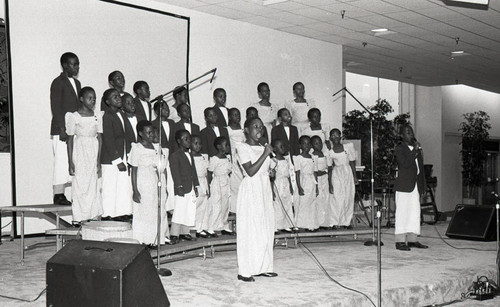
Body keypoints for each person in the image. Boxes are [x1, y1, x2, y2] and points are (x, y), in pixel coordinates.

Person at [235, 117, 276, 282]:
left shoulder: (263, 146)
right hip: (251, 190)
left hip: (264, 188)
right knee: (250, 229)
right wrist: (266, 154)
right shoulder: (242, 147)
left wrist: (270, 172)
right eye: (255, 126)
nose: (259, 129)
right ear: (246, 130)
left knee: (265, 227)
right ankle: (244, 271)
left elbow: (267, 168)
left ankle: (263, 267)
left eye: (261, 127)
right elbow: (250, 171)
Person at [65, 87, 103, 225]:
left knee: (93, 183)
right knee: (81, 184)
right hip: (80, 151)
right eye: (89, 98)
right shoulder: (74, 116)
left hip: (93, 150)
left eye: (94, 98)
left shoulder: (97, 116)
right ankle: (79, 217)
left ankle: (92, 216)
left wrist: (99, 160)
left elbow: (100, 138)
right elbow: (69, 140)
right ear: (81, 99)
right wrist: (70, 162)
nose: (92, 100)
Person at [129, 120, 168, 246]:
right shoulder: (137, 147)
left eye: (152, 132)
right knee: (143, 211)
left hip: (153, 179)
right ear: (141, 133)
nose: (151, 135)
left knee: (153, 210)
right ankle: (143, 240)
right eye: (148, 132)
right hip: (142, 180)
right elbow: (134, 169)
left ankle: (153, 239)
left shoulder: (156, 147)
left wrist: (161, 185)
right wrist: (135, 190)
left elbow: (158, 167)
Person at [50, 52, 81, 206]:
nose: (76, 67)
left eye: (77, 64)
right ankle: (58, 194)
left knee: (74, 161)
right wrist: (62, 128)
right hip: (61, 130)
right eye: (72, 64)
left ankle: (77, 194)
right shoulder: (58, 82)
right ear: (64, 65)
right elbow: (56, 107)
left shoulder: (77, 83)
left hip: (74, 130)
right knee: (61, 161)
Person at [393, 124, 428, 251]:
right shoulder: (400, 149)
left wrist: (423, 186)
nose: (411, 134)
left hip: (415, 186)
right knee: (402, 213)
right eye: (407, 132)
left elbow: (421, 170)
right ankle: (400, 241)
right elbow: (405, 163)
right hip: (404, 186)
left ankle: (413, 240)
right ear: (401, 135)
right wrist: (415, 150)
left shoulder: (416, 149)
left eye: (411, 132)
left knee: (415, 212)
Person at [100, 89, 132, 220]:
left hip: (123, 154)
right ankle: (107, 214)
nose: (118, 99)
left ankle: (119, 212)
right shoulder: (107, 116)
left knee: (122, 186)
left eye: (119, 96)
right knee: (110, 186)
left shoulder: (122, 114)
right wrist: (117, 160)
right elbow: (108, 139)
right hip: (111, 159)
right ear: (108, 102)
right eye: (114, 97)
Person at [169, 129, 199, 245]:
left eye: (189, 139)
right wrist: (179, 186)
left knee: (189, 210)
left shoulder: (190, 154)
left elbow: (193, 171)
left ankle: (184, 232)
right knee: (179, 211)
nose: (188, 141)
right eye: (185, 139)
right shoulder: (175, 156)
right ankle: (174, 234)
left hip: (190, 187)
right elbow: (175, 172)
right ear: (179, 141)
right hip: (181, 188)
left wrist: (196, 185)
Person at [328, 129, 357, 229]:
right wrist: (330, 183)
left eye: (337, 135)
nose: (335, 138)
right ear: (330, 138)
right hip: (337, 174)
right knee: (337, 198)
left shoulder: (348, 147)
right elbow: (330, 168)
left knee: (348, 197)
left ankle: (346, 222)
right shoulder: (330, 152)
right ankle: (335, 222)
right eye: (333, 136)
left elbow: (352, 162)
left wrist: (355, 177)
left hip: (347, 173)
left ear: (341, 136)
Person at [208, 136, 233, 236]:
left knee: (225, 205)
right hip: (217, 183)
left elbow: (229, 171)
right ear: (219, 146)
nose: (228, 147)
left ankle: (223, 225)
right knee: (216, 205)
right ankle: (211, 227)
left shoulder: (227, 158)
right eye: (225, 145)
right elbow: (210, 172)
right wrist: (209, 187)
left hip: (225, 182)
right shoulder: (214, 159)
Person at [294, 135, 319, 231]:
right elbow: (297, 173)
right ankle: (300, 224)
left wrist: (317, 187)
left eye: (308, 144)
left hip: (311, 182)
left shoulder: (313, 157)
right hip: (303, 181)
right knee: (302, 203)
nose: (307, 146)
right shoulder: (298, 158)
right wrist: (299, 187)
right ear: (300, 145)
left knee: (311, 203)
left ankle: (310, 225)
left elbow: (315, 172)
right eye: (304, 144)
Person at [271, 138, 294, 233]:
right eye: (280, 147)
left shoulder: (286, 159)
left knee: (287, 203)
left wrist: (291, 186)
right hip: (277, 183)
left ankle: (286, 224)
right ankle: (276, 225)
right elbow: (271, 177)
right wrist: (271, 189)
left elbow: (288, 174)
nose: (283, 148)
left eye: (283, 146)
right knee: (277, 205)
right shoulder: (273, 160)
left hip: (285, 183)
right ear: (275, 149)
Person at [191, 135, 212, 238]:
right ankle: (195, 228)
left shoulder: (204, 156)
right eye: (195, 143)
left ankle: (202, 227)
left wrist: (208, 186)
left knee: (204, 206)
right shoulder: (190, 157)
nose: (198, 146)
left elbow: (207, 173)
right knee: (196, 206)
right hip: (195, 182)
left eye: (200, 143)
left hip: (203, 182)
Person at [227, 108, 245, 214]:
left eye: (238, 114)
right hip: (234, 159)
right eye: (234, 115)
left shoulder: (243, 130)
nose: (237, 117)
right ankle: (234, 209)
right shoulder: (228, 129)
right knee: (235, 185)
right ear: (229, 117)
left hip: (243, 158)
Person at [311, 136, 330, 228]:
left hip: (325, 178)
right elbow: (313, 170)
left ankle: (325, 222)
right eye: (316, 143)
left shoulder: (325, 154)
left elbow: (329, 167)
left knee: (325, 199)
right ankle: (317, 222)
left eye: (320, 143)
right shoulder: (312, 155)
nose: (318, 145)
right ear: (312, 145)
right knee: (318, 200)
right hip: (317, 180)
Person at [121, 93, 138, 159]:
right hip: (128, 154)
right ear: (122, 106)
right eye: (128, 103)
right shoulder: (122, 120)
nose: (132, 105)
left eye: (133, 102)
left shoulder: (141, 118)